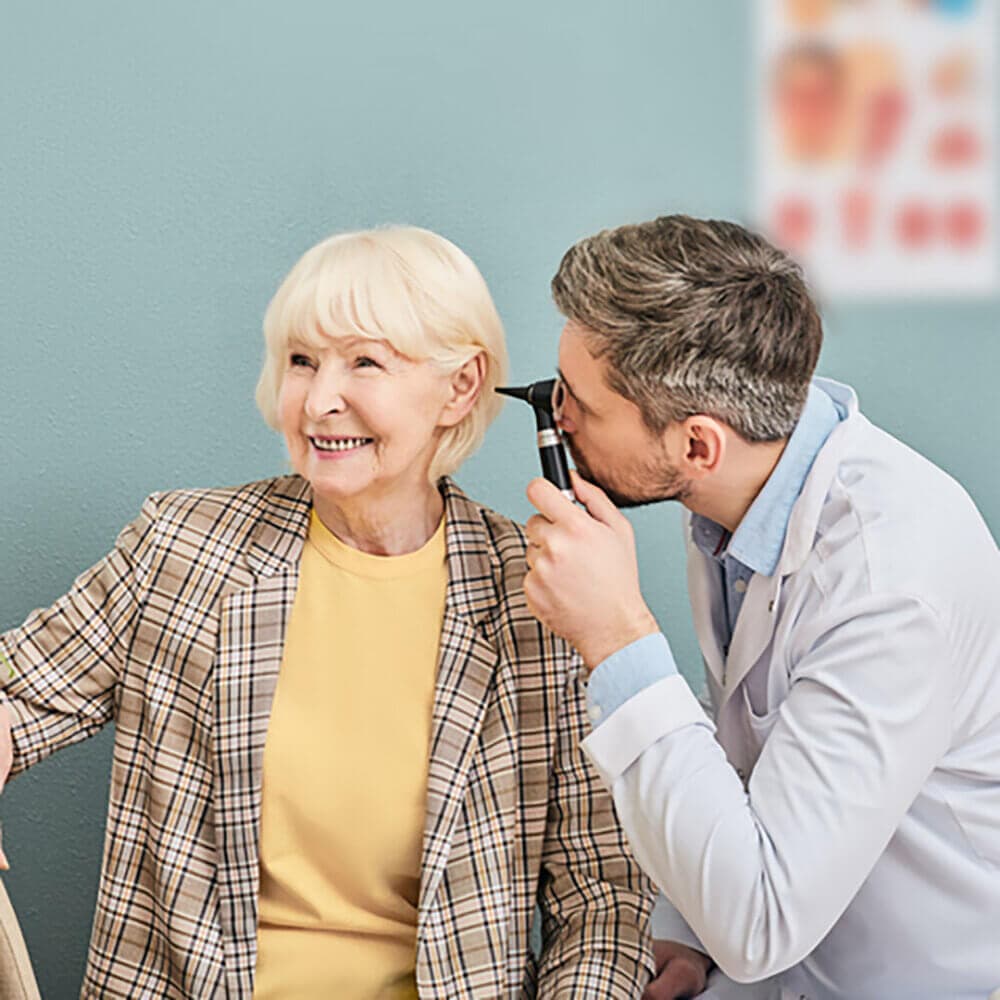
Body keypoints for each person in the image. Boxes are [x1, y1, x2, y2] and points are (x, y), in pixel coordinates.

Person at [0, 226, 654, 999]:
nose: (318, 400)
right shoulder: (182, 546)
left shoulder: (542, 600)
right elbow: (18, 693)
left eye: (365, 362)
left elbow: (603, 903)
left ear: (462, 386)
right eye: (301, 361)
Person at [522, 215, 1000, 1000]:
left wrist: (617, 637)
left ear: (697, 445)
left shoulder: (889, 585)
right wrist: (683, 929)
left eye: (581, 404)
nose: (558, 417)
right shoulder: (734, 492)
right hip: (782, 957)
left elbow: (761, 921)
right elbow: (746, 750)